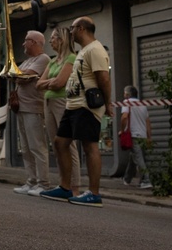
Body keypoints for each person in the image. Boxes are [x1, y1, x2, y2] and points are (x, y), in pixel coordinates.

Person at [41, 16, 112, 207]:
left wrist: (108, 104)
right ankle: (65, 188)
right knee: (60, 142)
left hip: (86, 106)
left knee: (89, 146)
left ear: (81, 29)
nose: (70, 32)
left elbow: (103, 78)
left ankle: (94, 193)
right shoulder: (84, 51)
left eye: (72, 29)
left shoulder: (95, 49)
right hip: (73, 105)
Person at [36, 25, 80, 194]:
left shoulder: (71, 58)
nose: (50, 40)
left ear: (61, 40)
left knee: (68, 145)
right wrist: (51, 83)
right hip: (49, 102)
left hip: (62, 102)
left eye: (53, 37)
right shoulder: (54, 60)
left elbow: (60, 83)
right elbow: (40, 84)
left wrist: (50, 82)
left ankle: (74, 185)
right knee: (56, 145)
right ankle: (64, 183)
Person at [10, 31, 50, 196]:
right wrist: (20, 76)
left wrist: (20, 76)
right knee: (26, 148)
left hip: (33, 108)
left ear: (34, 42)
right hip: (22, 108)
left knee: (37, 147)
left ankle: (43, 183)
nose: (23, 44)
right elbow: (18, 76)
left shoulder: (43, 59)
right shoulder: (28, 61)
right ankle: (31, 181)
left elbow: (21, 75)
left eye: (26, 41)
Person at [121, 85, 152, 189]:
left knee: (138, 158)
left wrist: (122, 130)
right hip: (142, 135)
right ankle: (127, 179)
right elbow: (147, 121)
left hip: (133, 134)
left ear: (128, 94)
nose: (123, 95)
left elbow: (124, 117)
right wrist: (149, 136)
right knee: (133, 157)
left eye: (125, 93)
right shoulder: (142, 104)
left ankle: (146, 180)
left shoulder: (127, 102)